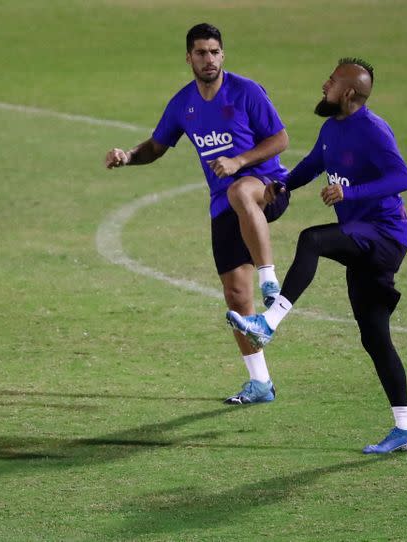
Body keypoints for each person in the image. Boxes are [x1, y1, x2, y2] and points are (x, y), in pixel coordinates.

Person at [226, 58, 407, 453]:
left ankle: (270, 321)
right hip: (361, 240)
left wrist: (350, 194)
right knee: (375, 337)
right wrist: (278, 185)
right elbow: (312, 165)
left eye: (331, 82)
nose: (324, 85)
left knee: (313, 239)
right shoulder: (331, 128)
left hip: (384, 237)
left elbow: (403, 178)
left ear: (348, 93)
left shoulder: (373, 130)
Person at [105, 23, 290, 405]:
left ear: (223, 55)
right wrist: (127, 158)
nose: (209, 59)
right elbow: (157, 146)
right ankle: (260, 384)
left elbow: (280, 139)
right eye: (201, 53)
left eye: (215, 52)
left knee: (241, 189)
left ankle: (270, 281)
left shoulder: (246, 92)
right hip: (225, 205)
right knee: (236, 297)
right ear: (189, 57)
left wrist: (239, 160)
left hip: (268, 187)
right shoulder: (183, 105)